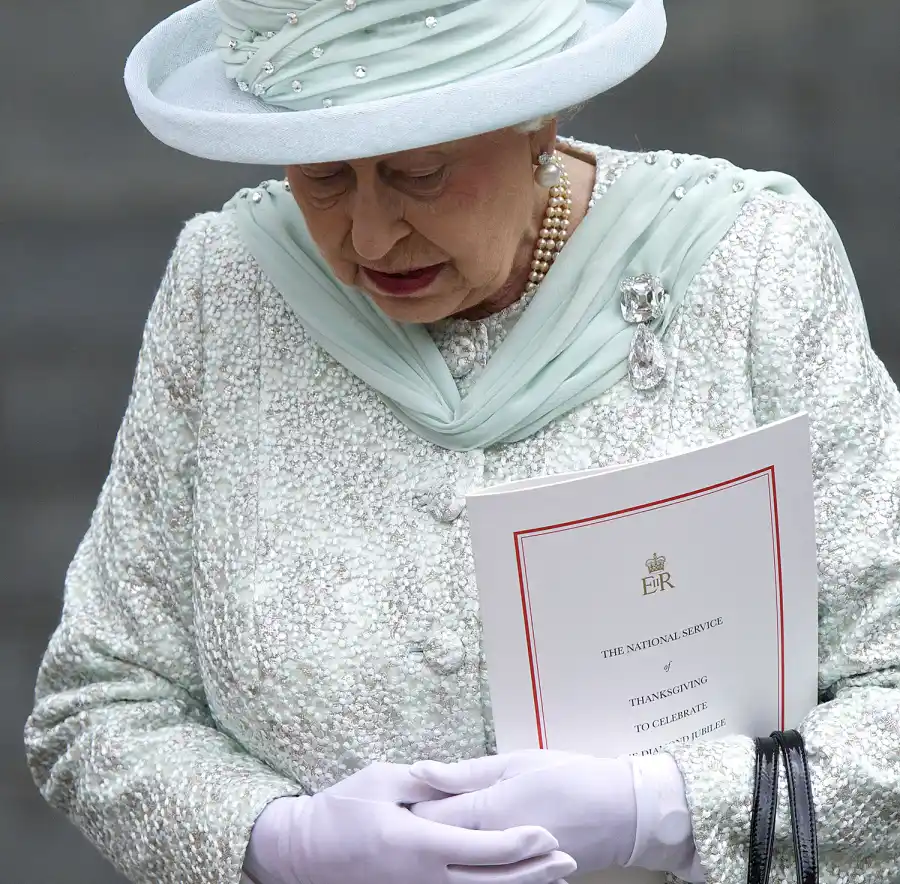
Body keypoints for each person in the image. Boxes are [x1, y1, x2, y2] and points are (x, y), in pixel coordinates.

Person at [24, 0, 900, 882]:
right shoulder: (227, 288)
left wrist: (665, 812)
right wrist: (278, 842)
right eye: (323, 176)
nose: (370, 234)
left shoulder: (750, 267)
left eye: (418, 172)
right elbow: (97, 705)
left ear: (536, 126)